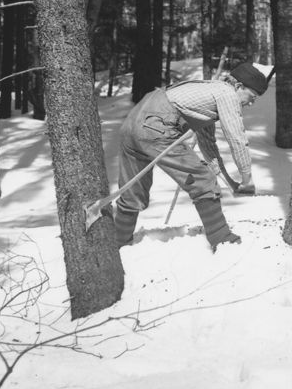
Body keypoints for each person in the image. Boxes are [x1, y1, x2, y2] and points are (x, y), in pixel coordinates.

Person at [109, 62, 268, 251]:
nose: (251, 103)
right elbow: (237, 138)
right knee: (203, 180)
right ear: (239, 86)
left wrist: (230, 181)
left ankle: (117, 243)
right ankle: (222, 238)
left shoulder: (208, 93)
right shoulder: (227, 94)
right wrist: (247, 178)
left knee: (133, 191)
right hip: (156, 125)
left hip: (133, 122)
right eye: (252, 96)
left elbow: (208, 143)